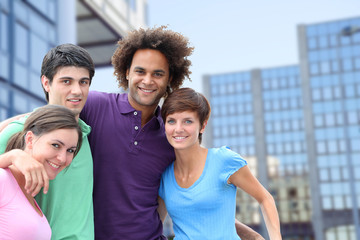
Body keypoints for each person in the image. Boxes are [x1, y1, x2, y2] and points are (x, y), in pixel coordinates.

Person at [80, 26, 263, 239]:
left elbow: (198, 198)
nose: (147, 81)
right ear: (127, 72)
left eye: (158, 74)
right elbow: (46, 117)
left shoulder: (172, 135)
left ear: (169, 79)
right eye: (140, 71)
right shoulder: (93, 106)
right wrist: (29, 155)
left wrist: (253, 237)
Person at [159, 88, 282, 239]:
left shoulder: (224, 161)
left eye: (188, 121)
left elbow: (265, 199)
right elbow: (156, 225)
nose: (178, 129)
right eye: (171, 121)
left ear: (202, 126)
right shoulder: (164, 175)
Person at [0, 43, 95, 239]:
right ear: (46, 83)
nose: (77, 91)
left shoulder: (84, 134)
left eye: (83, 82)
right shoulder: (22, 130)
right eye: (66, 81)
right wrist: (13, 155)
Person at [0, 105, 82, 240]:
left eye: (70, 150)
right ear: (30, 140)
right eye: (56, 145)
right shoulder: (3, 179)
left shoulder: (30, 196)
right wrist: (12, 156)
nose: (62, 158)